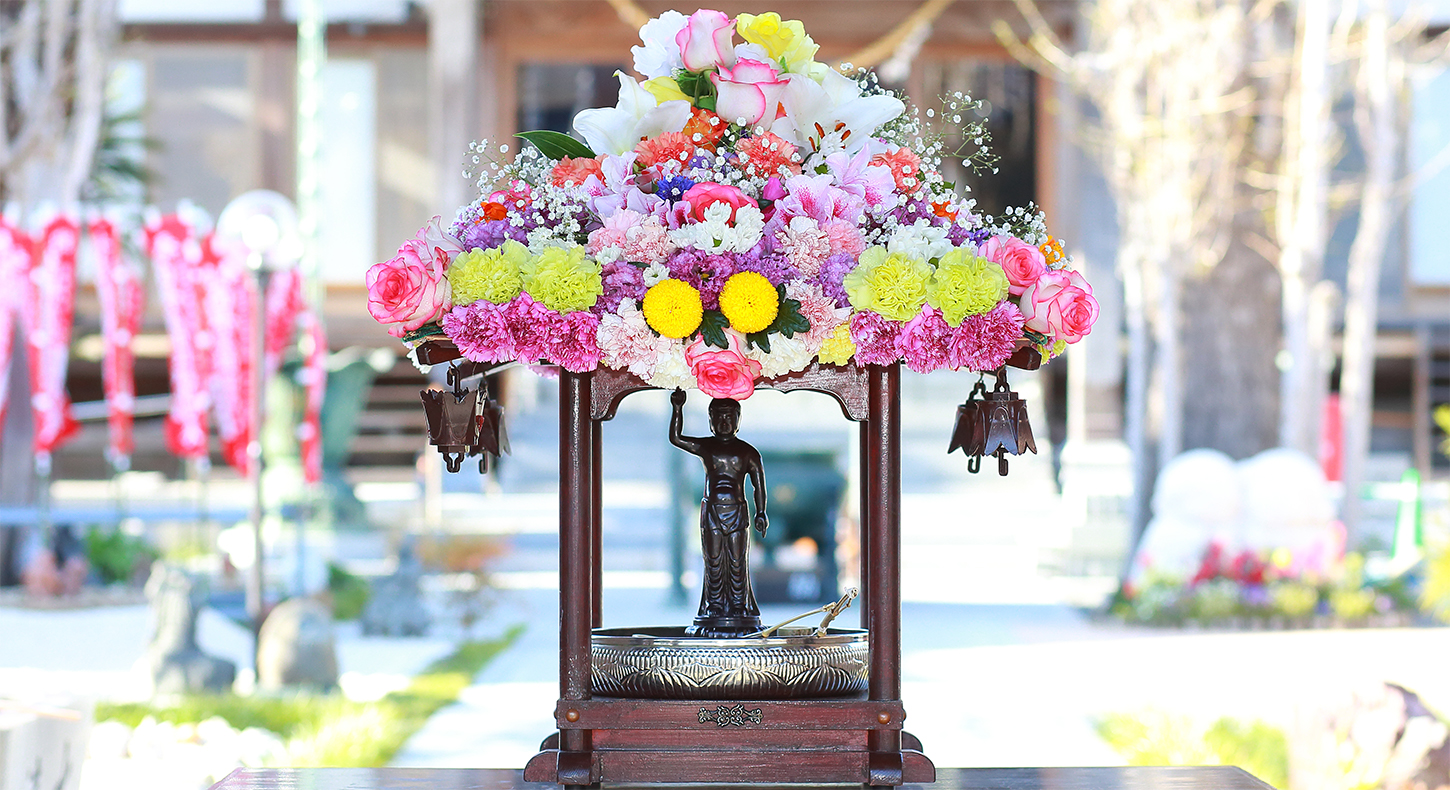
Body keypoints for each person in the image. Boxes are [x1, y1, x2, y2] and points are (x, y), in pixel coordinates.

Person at [669, 389, 768, 637]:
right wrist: (678, 408)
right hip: (712, 511)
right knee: (713, 561)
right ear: (710, 420)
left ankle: (738, 605)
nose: (724, 423)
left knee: (736, 562)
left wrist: (761, 513)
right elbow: (677, 438)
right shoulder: (707, 447)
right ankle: (713, 606)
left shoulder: (748, 452)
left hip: (737, 511)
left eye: (730, 417)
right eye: (719, 417)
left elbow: (759, 486)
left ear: (738, 420)